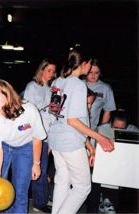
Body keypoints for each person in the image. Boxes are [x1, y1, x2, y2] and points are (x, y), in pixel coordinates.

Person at [47, 49, 115, 214]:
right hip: (70, 142)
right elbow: (73, 120)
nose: (90, 67)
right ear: (84, 64)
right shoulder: (78, 84)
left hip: (55, 139)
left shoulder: (58, 81)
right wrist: (101, 138)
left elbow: (57, 114)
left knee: (62, 180)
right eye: (90, 63)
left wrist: (89, 144)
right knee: (83, 187)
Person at [0, 79, 47, 213]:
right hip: (4, 146)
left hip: (26, 147)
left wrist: (36, 164)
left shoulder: (28, 110)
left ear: (7, 95)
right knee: (1, 188)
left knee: (20, 191)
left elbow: (37, 138)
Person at [23, 58, 56, 212]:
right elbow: (27, 112)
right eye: (48, 70)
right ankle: (35, 202)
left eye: (53, 71)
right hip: (33, 135)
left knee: (41, 169)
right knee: (33, 169)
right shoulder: (32, 86)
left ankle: (39, 201)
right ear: (41, 69)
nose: (51, 74)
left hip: (47, 134)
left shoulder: (52, 89)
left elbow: (52, 115)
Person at [85, 59, 116, 135]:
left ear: (100, 73)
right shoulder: (79, 84)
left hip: (91, 129)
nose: (93, 75)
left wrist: (102, 130)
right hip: (75, 126)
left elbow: (108, 111)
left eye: (96, 73)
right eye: (90, 72)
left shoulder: (106, 88)